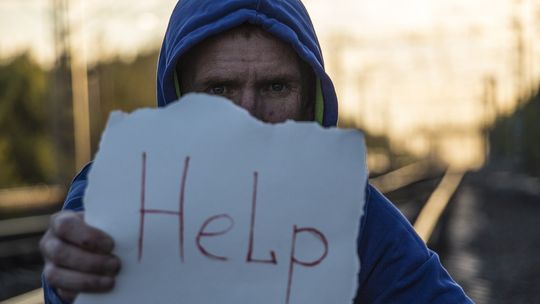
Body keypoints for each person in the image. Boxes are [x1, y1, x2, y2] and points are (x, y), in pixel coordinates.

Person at [40, 0, 473, 303]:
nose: (247, 114)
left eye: (276, 87)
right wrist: (71, 279)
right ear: (178, 98)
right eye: (219, 88)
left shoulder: (352, 213)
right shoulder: (118, 192)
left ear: (309, 101)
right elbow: (76, 267)